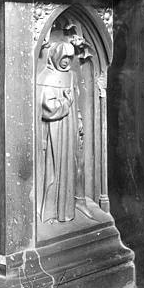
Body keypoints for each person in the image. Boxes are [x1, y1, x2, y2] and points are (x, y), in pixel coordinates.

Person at [37, 41, 93, 222]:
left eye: (69, 57)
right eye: (63, 57)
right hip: (55, 131)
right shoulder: (46, 77)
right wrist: (66, 103)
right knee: (55, 168)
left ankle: (69, 207)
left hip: (70, 127)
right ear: (55, 56)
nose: (67, 61)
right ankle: (51, 212)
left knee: (73, 164)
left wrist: (79, 119)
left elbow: (76, 100)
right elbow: (46, 109)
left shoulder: (72, 76)